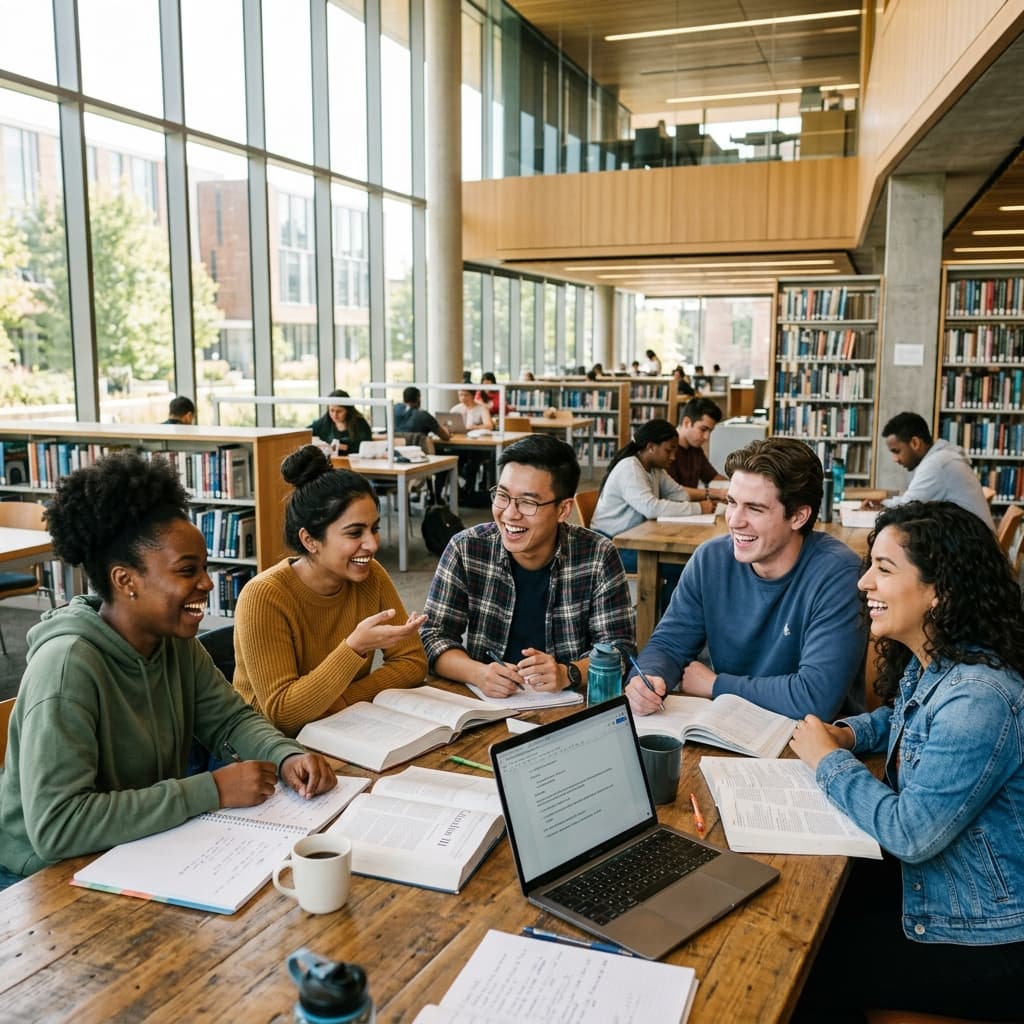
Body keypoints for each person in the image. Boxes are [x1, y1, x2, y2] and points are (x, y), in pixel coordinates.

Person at [0, 452, 336, 886]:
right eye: (187, 571)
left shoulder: (172, 642)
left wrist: (284, 755)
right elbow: (58, 826)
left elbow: (229, 719)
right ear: (126, 581)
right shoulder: (67, 669)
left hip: (133, 845)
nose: (207, 583)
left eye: (205, 567)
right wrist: (210, 790)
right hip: (41, 877)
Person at [790, 501, 1024, 1023]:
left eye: (883, 568)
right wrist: (848, 733)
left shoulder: (979, 697)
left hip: (990, 934)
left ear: (939, 590)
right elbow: (902, 716)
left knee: (804, 966)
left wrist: (829, 763)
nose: (862, 583)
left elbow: (911, 833)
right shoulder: (942, 659)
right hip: (948, 892)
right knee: (805, 910)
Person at [626, 437, 866, 720]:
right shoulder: (710, 559)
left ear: (799, 516)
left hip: (813, 743)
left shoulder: (839, 574)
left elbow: (815, 697)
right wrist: (648, 678)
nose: (735, 520)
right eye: (731, 502)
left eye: (754, 508)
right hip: (733, 728)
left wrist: (717, 685)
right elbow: (668, 644)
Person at [420, 434, 635, 699]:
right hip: (488, 704)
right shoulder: (466, 548)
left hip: (567, 710)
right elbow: (432, 637)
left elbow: (620, 651)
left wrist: (568, 673)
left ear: (563, 509)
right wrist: (477, 673)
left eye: (528, 502)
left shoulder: (598, 555)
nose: (510, 513)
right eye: (502, 496)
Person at [233, 446, 427, 737]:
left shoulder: (371, 576)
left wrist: (346, 698)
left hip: (341, 726)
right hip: (270, 746)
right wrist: (354, 648)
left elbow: (412, 663)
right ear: (310, 540)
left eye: (374, 528)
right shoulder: (263, 596)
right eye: (354, 533)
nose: (372, 544)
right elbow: (283, 714)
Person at [591, 419, 715, 613]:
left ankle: (661, 616)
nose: (673, 456)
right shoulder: (630, 468)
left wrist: (709, 497)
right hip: (612, 547)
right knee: (682, 568)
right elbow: (651, 508)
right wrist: (700, 509)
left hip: (634, 539)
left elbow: (679, 493)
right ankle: (662, 622)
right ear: (651, 447)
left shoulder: (654, 469)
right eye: (669, 450)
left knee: (685, 565)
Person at [862, 411, 991, 526]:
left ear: (915, 443)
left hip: (974, 548)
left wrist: (881, 505)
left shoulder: (937, 463)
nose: (895, 459)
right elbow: (911, 502)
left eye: (897, 451)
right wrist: (884, 504)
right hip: (974, 542)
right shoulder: (942, 457)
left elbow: (908, 508)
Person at [667, 397, 727, 498]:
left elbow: (712, 476)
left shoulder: (695, 448)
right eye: (703, 429)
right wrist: (716, 493)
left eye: (710, 431)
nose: (707, 437)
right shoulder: (666, 450)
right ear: (686, 423)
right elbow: (672, 491)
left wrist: (735, 486)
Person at [449, 388, 493, 492]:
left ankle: (469, 490)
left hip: (478, 446)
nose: (463, 398)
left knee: (473, 463)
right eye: (460, 395)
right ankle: (459, 489)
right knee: (455, 459)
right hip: (459, 445)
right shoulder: (456, 409)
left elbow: (489, 425)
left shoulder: (481, 408)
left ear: (473, 395)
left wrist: (474, 427)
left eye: (466, 395)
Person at [308, 388, 371, 455]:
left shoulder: (360, 423)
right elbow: (306, 433)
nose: (335, 415)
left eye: (339, 411)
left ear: (348, 410)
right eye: (331, 410)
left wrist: (344, 447)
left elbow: (367, 445)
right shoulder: (324, 421)